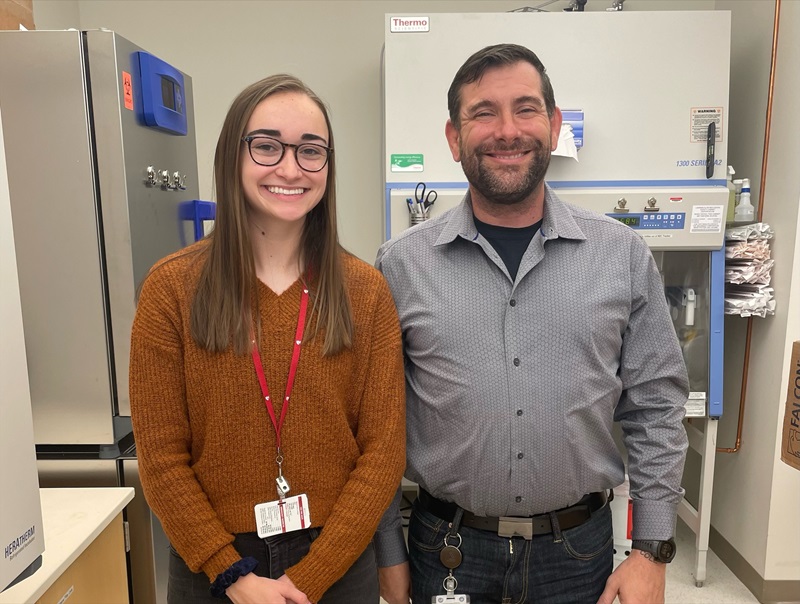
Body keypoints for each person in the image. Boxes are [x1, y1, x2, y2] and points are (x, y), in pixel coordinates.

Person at [375, 44, 689, 604]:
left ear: (553, 124)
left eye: (525, 108)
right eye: (482, 113)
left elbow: (656, 407)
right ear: (453, 137)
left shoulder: (621, 255)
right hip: (445, 551)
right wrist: (388, 553)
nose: (506, 130)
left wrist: (651, 550)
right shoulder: (400, 266)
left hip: (578, 554)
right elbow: (371, 426)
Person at [130, 74, 405, 604]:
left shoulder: (365, 292)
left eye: (310, 150)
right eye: (266, 146)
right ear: (232, 155)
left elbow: (383, 452)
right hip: (211, 568)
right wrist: (229, 573)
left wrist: (312, 576)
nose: (289, 167)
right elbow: (161, 459)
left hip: (339, 562)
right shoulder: (171, 289)